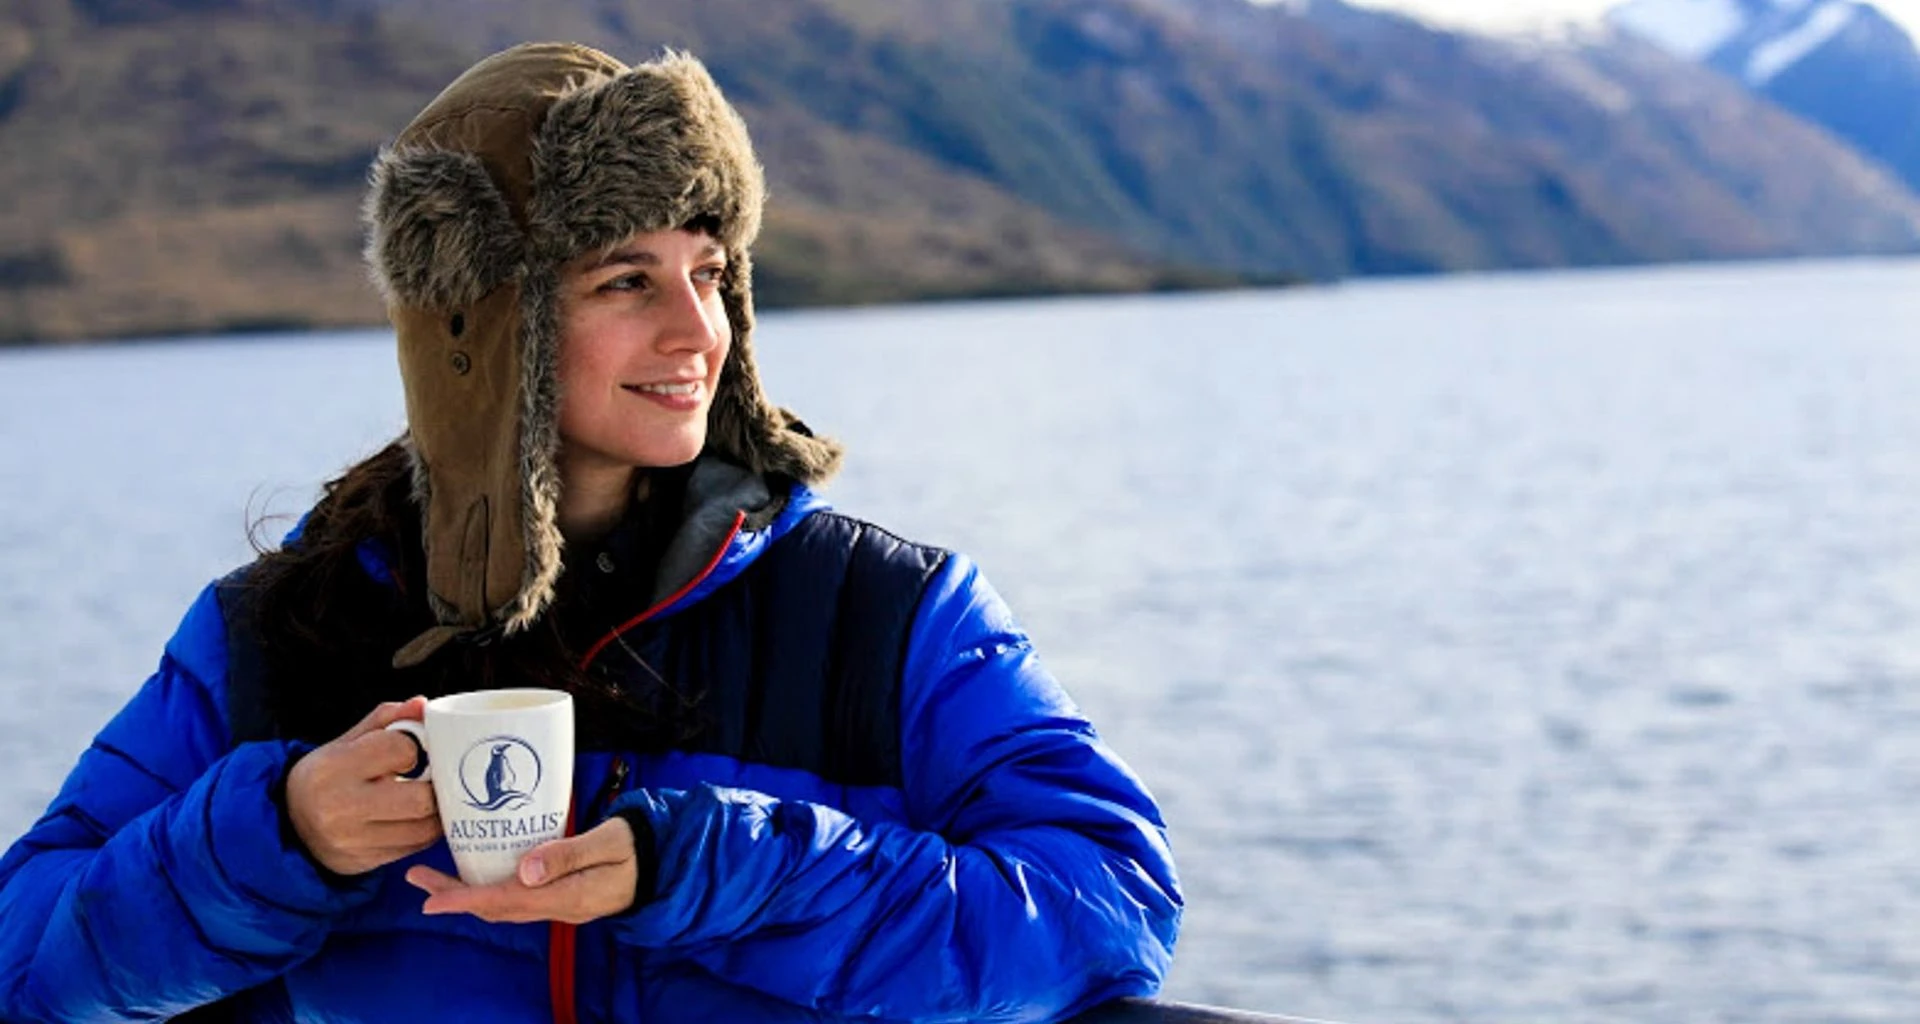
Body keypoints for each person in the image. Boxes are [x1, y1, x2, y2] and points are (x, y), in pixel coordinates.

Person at [0, 42, 1181, 1023]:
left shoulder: (889, 612)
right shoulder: (271, 630)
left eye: (709, 273)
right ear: (482, 320)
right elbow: (24, 961)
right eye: (626, 280)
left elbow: (1111, 907)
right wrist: (278, 835)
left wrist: (724, 870)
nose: (697, 332)